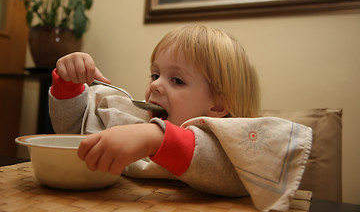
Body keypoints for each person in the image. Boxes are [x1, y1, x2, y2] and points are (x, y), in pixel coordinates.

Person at [49, 24, 312, 212]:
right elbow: (74, 135)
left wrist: (156, 137)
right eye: (155, 75)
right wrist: (68, 86)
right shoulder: (135, 118)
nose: (155, 86)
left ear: (219, 105)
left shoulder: (230, 143)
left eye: (177, 80)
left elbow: (237, 171)